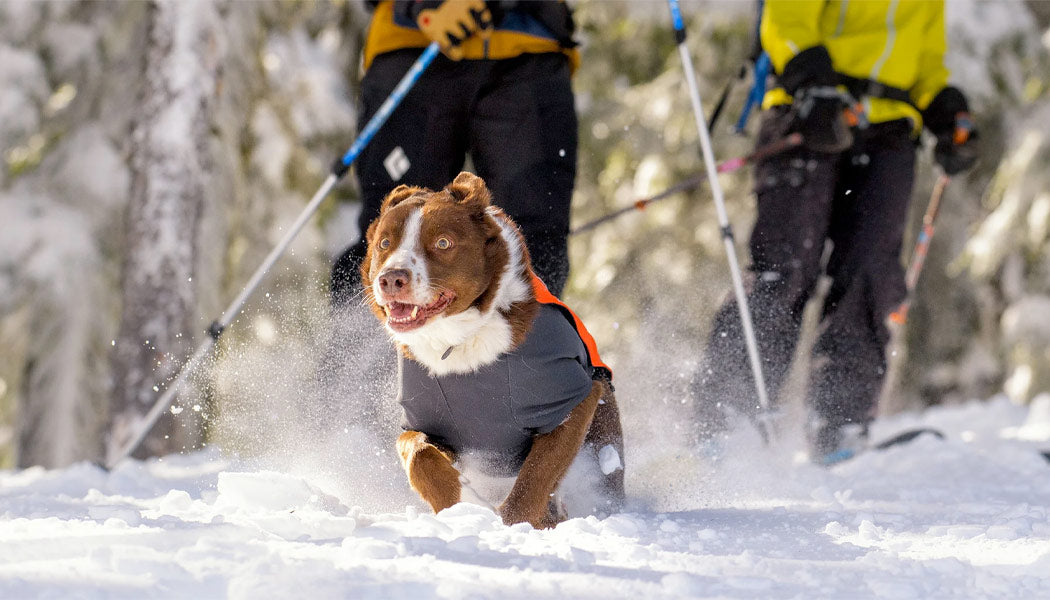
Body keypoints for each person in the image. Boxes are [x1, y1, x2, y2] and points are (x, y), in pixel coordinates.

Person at [691, 0, 979, 462]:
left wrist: (940, 104)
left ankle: (840, 426)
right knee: (785, 266)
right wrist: (811, 78)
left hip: (889, 129)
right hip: (811, 109)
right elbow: (785, 19)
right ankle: (728, 417)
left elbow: (924, 56)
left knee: (870, 272)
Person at [331, 0, 580, 304]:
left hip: (528, 50)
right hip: (412, 44)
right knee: (393, 229)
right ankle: (365, 349)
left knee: (532, 240)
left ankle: (531, 348)